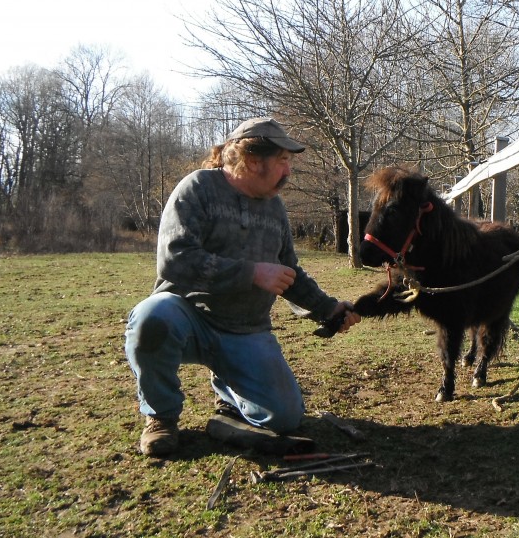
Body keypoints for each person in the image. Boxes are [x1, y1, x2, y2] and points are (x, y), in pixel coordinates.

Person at [124, 116, 360, 457]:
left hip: (246, 329)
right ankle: (161, 417)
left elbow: (288, 272)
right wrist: (250, 273)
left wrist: (329, 309)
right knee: (150, 318)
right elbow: (176, 259)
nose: (288, 171)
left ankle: (229, 409)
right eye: (282, 161)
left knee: (285, 418)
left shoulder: (274, 208)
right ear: (251, 161)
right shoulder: (198, 189)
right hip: (188, 317)